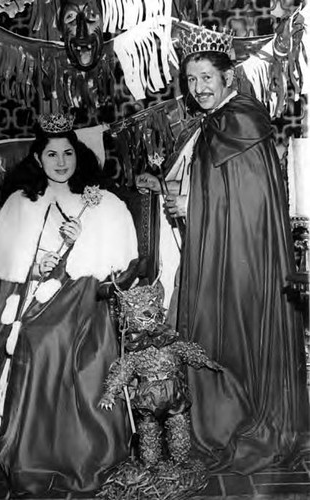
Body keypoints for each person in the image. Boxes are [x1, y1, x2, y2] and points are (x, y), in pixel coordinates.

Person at [0, 114, 139, 496]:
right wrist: (35, 265)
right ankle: (4, 431)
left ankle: (55, 442)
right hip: (28, 297)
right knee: (28, 337)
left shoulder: (98, 202)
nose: (60, 161)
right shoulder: (21, 203)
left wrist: (79, 241)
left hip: (78, 301)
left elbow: (111, 264)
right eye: (51, 154)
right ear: (38, 159)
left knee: (47, 339)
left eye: (67, 152)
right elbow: (8, 268)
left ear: (78, 155)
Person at [135, 25, 309, 474]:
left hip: (242, 257)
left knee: (238, 330)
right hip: (218, 249)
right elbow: (213, 187)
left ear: (228, 76)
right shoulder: (213, 123)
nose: (199, 88)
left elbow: (245, 198)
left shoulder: (242, 120)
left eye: (207, 77)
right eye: (192, 81)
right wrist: (182, 198)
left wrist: (191, 201)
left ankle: (237, 419)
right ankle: (219, 417)